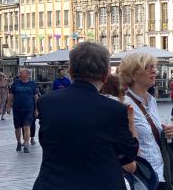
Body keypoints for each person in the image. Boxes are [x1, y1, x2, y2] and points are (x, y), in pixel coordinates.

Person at [33, 42, 139, 190]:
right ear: (106, 74)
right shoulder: (114, 110)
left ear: (70, 71)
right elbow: (129, 155)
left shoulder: (46, 102)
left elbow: (46, 141)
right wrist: (131, 123)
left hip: (52, 184)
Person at [120, 52, 173, 190]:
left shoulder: (151, 101)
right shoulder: (124, 105)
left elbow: (153, 136)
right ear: (133, 74)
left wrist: (169, 134)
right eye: (148, 67)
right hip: (143, 178)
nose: (154, 70)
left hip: (163, 175)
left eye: (154, 67)